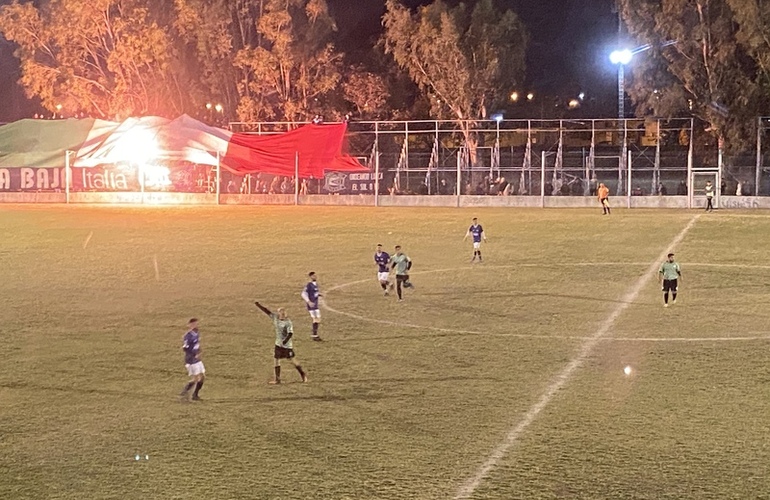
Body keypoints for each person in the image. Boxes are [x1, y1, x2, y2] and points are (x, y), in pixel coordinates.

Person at [254, 302, 308, 384]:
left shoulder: (288, 322)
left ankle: (303, 374)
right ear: (279, 314)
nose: (283, 315)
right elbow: (267, 311)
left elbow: (290, 333)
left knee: (292, 360)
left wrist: (285, 341)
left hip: (287, 346)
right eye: (282, 314)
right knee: (276, 360)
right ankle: (277, 379)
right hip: (278, 345)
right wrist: (258, 305)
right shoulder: (275, 318)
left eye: (284, 314)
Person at [180, 318, 205, 402]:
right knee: (196, 379)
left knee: (202, 377)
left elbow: (197, 344)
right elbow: (185, 348)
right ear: (189, 325)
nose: (195, 325)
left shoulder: (197, 333)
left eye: (196, 324)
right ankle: (184, 392)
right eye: (193, 324)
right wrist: (194, 354)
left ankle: (195, 394)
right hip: (191, 359)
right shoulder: (188, 336)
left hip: (197, 358)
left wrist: (199, 351)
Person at [301, 272, 323, 341]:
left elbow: (313, 293)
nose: (315, 276)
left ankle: (314, 334)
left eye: (315, 275)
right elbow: (303, 294)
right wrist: (309, 301)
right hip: (312, 305)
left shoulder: (315, 284)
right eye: (313, 276)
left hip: (315, 304)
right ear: (310, 277)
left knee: (317, 319)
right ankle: (314, 335)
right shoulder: (309, 285)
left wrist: (318, 294)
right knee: (316, 319)